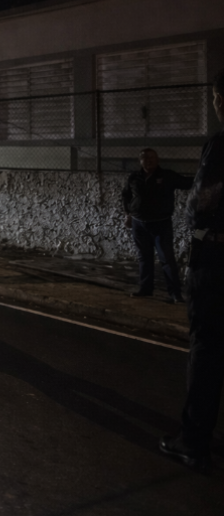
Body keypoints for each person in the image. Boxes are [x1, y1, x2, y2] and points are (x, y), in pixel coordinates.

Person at [159, 69, 224, 468]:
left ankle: (194, 439)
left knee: (207, 348)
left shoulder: (220, 145)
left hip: (217, 261)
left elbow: (199, 203)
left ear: (220, 99)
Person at [121, 148, 193, 303]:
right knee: (144, 258)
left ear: (158, 159)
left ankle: (175, 294)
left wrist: (206, 175)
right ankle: (145, 290)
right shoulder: (134, 177)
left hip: (161, 225)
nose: (149, 160)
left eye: (152, 157)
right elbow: (126, 195)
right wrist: (128, 215)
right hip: (139, 225)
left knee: (167, 259)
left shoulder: (167, 176)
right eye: (145, 158)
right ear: (140, 161)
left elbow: (188, 183)